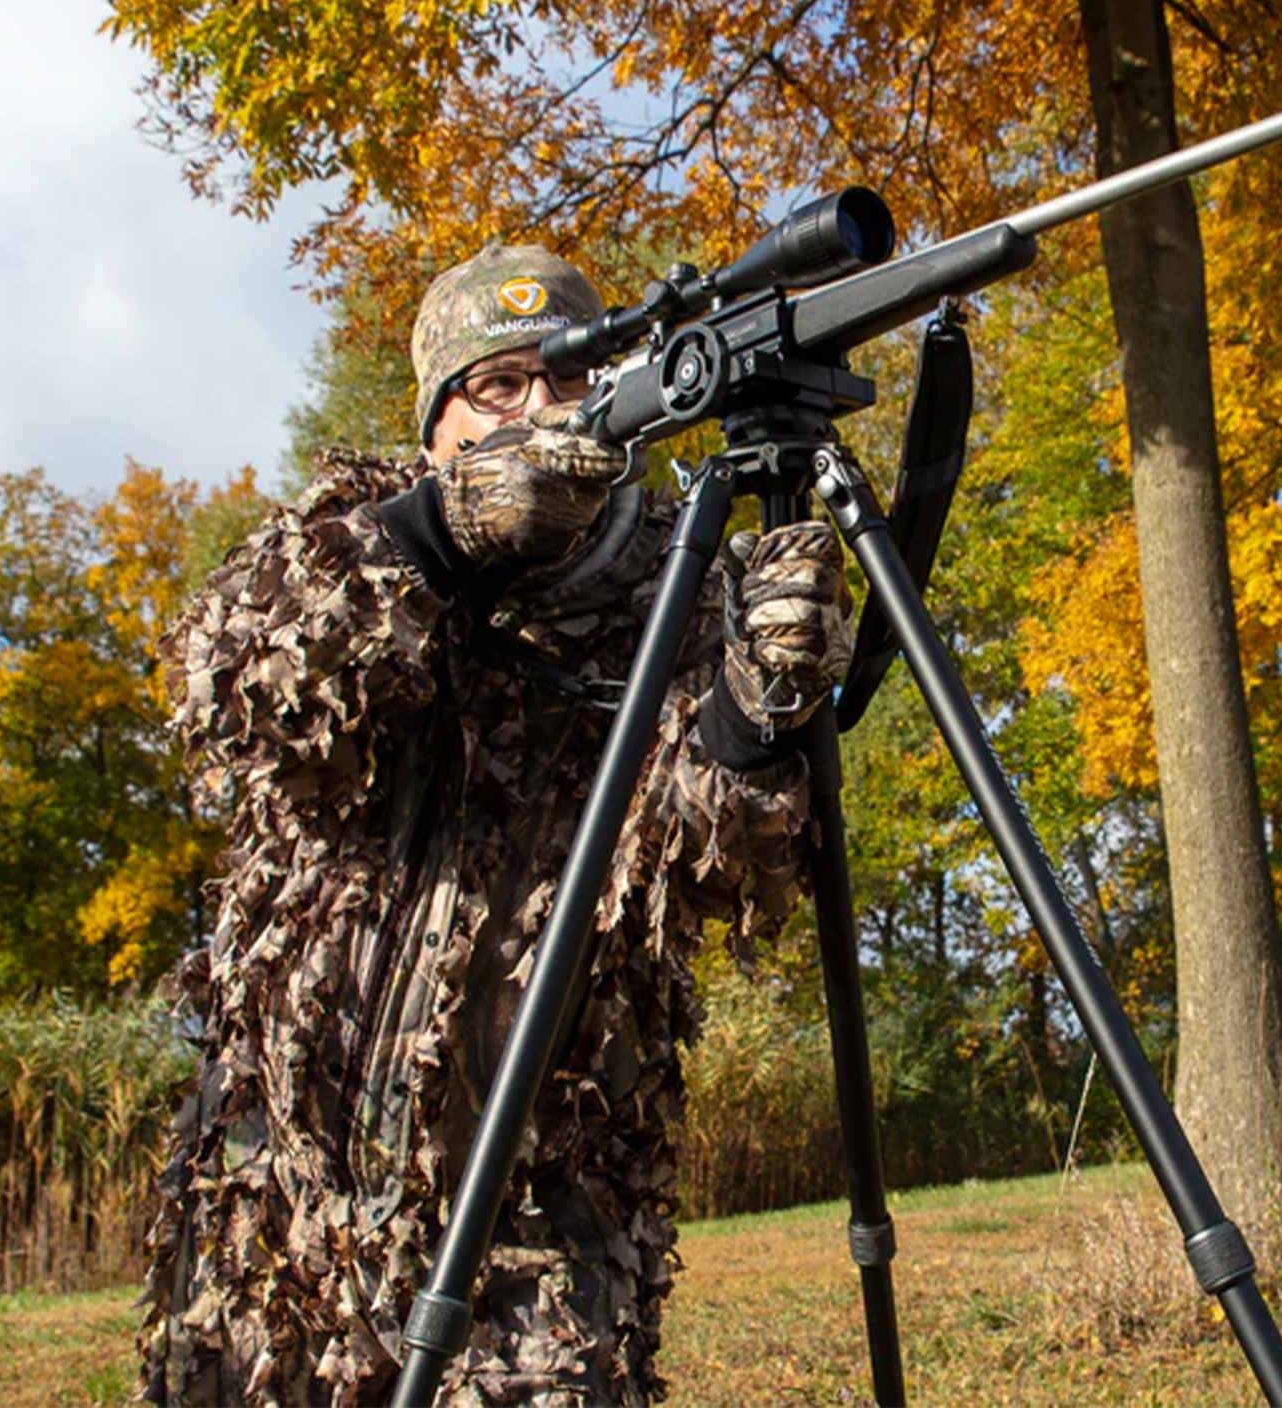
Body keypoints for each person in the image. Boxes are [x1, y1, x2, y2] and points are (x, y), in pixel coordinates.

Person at [140, 243, 853, 1405]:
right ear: (436, 424)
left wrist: (754, 713)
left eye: (570, 379)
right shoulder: (353, 535)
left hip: (537, 1213)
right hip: (272, 1205)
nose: (539, 408)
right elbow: (234, 694)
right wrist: (446, 538)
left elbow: (713, 871)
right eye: (499, 384)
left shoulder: (673, 592)